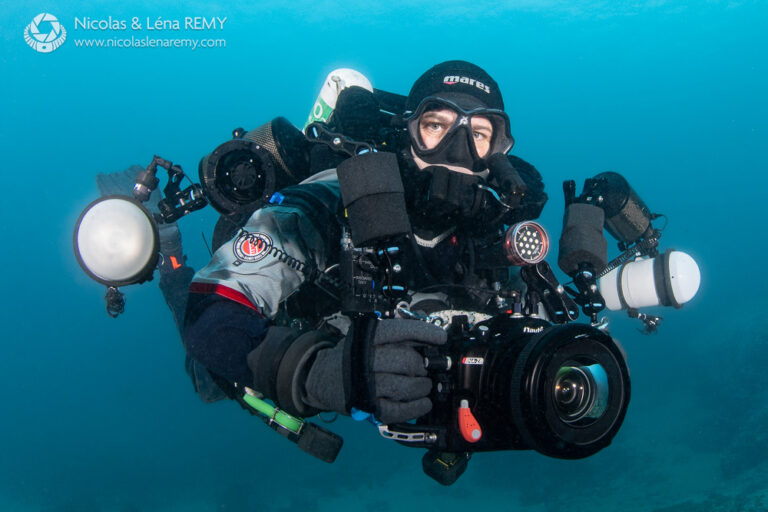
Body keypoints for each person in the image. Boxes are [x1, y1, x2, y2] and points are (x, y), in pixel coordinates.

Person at [181, 60, 547, 441]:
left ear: (498, 156)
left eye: (480, 134)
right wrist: (314, 370)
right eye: (435, 126)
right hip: (279, 337)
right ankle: (171, 264)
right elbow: (209, 308)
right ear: (407, 131)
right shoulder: (331, 199)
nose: (457, 152)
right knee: (209, 382)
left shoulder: (493, 235)